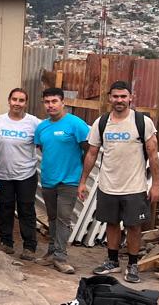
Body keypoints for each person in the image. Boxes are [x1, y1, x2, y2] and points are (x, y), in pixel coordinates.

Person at [79, 81, 159, 284]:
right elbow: (91, 153)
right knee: (112, 223)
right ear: (109, 98)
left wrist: (157, 184)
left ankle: (133, 264)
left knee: (134, 226)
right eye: (115, 96)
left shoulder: (142, 122)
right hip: (108, 185)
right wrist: (83, 182)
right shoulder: (102, 122)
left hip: (135, 186)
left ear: (131, 97)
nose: (119, 100)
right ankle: (112, 261)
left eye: (123, 96)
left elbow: (153, 155)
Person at [34, 86, 89, 274]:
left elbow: (88, 150)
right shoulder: (42, 127)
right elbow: (43, 149)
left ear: (63, 102)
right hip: (49, 180)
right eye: (47, 102)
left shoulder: (76, 124)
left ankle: (61, 257)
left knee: (64, 219)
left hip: (70, 180)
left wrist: (82, 177)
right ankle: (51, 251)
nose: (50, 105)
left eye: (54, 101)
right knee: (52, 218)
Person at [0, 88, 41, 261]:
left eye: (21, 100)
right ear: (9, 100)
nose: (17, 103)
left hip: (26, 174)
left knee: (26, 209)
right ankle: (6, 243)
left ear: (25, 103)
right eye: (14, 99)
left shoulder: (34, 123)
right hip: (2, 174)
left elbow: (43, 144)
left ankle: (29, 246)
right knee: (4, 208)